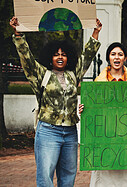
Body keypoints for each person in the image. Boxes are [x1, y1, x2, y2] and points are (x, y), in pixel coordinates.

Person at [10, 16, 102, 186]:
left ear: (68, 58)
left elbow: (87, 56)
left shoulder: (73, 74)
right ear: (50, 57)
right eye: (56, 55)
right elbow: (27, 59)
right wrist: (18, 35)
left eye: (64, 54)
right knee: (45, 177)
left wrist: (95, 32)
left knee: (68, 177)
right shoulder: (42, 74)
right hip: (48, 132)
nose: (60, 57)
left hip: (70, 132)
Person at [78, 42, 127, 187]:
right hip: (105, 143)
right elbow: (94, 114)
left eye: (120, 54)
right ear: (108, 58)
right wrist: (85, 110)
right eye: (113, 54)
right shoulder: (97, 83)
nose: (116, 57)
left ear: (125, 58)